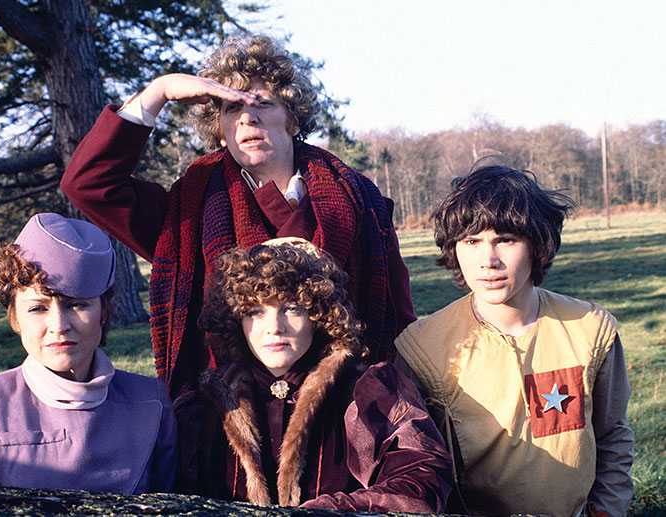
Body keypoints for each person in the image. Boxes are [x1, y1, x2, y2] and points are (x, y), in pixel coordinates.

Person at [60, 34, 415, 400]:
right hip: (225, 417)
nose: (247, 117)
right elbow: (88, 183)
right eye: (232, 108)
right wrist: (158, 92)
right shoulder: (187, 215)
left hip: (343, 410)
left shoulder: (359, 200)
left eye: (263, 103)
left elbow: (400, 321)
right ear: (220, 131)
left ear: (293, 121)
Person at [394, 162, 634, 516]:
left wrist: (606, 511)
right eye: (471, 241)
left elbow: (613, 435)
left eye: (505, 240)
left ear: (537, 244)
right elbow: (410, 467)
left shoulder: (591, 329)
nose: (488, 260)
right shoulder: (421, 348)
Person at [175, 238, 452, 512]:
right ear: (238, 319)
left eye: (291, 308)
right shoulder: (208, 403)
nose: (274, 327)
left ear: (318, 315)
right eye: (255, 312)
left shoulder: (365, 391)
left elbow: (422, 484)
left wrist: (323, 512)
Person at [0, 213, 177, 495]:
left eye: (77, 305)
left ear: (105, 312)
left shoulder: (150, 400)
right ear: (15, 318)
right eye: (38, 308)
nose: (59, 326)